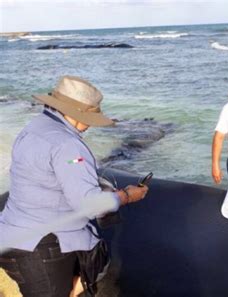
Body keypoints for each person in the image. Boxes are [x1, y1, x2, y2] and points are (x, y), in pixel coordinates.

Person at [0, 76, 149, 297]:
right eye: (89, 117)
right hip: (41, 247)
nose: (89, 125)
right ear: (77, 114)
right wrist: (127, 195)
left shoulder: (34, 127)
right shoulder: (69, 146)